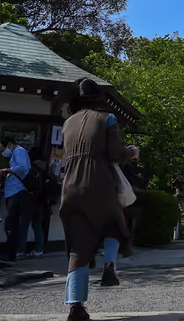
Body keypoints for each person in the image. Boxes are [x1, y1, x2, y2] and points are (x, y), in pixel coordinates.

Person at [59, 78, 140, 321]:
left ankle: (76, 306)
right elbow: (115, 154)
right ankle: (109, 267)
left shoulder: (67, 123)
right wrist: (132, 152)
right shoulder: (108, 119)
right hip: (98, 183)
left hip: (70, 187)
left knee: (78, 248)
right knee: (115, 225)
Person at [0, 136, 32, 261]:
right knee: (12, 224)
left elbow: (23, 168)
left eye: (2, 149)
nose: (2, 153)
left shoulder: (19, 151)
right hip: (13, 192)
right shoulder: (14, 154)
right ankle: (12, 251)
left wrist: (5, 170)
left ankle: (14, 252)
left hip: (18, 192)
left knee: (12, 224)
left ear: (9, 145)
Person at [28, 147, 54, 258]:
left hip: (36, 199)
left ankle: (38, 248)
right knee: (41, 225)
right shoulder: (47, 167)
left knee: (36, 225)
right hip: (45, 200)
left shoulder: (34, 168)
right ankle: (41, 248)